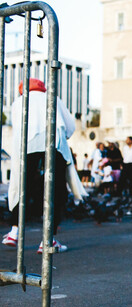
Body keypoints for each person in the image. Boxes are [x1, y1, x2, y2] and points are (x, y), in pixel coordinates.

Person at [3, 78, 75, 252]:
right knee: (55, 190)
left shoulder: (18, 103)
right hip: (54, 145)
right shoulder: (53, 98)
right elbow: (70, 126)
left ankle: (14, 231)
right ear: (42, 88)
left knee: (23, 187)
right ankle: (48, 240)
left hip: (27, 147)